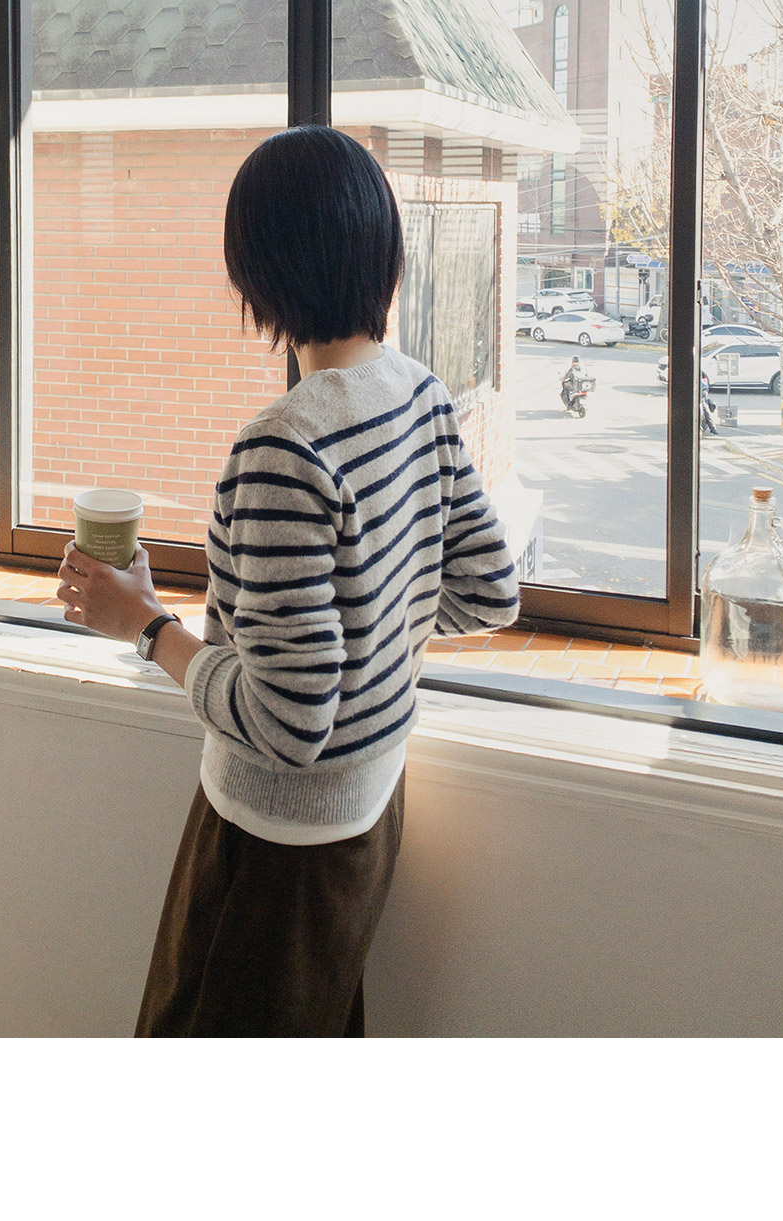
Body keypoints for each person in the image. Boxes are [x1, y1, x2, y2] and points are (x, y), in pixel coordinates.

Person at [56, 125, 519, 1037]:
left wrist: (144, 625)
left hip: (273, 847)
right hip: (368, 817)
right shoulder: (422, 395)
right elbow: (488, 592)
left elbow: (286, 722)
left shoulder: (282, 446)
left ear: (258, 272)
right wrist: (371, 619)